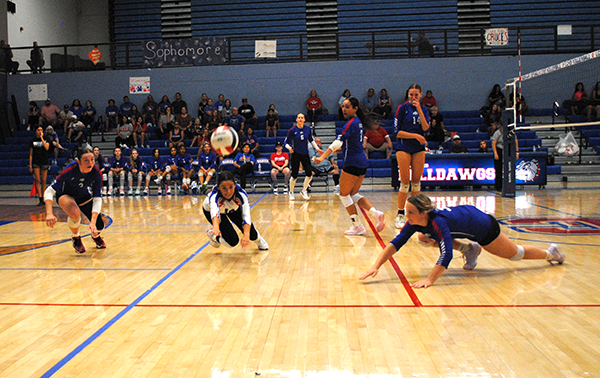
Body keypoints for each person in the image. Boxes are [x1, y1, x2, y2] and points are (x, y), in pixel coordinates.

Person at [359, 193, 565, 288]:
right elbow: (395, 244)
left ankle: (550, 253)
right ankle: (469, 249)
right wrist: (376, 266)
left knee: (515, 255)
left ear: (423, 213)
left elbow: (446, 254)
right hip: (468, 220)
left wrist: (429, 280)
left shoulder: (438, 223)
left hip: (484, 228)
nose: (407, 216)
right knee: (422, 237)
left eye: (410, 212)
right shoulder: (417, 222)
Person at [314, 97, 385, 235]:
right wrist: (334, 151)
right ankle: (375, 213)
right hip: (361, 162)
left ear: (355, 108)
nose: (344, 109)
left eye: (347, 107)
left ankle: (357, 226)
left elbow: (337, 143)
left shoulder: (351, 123)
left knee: (343, 194)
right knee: (353, 194)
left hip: (352, 162)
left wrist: (322, 157)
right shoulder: (358, 123)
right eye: (343, 107)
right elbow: (348, 145)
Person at [44, 147, 107, 253]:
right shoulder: (70, 170)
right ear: (78, 161)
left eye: (92, 160)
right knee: (75, 213)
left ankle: (95, 236)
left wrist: (92, 222)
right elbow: (49, 191)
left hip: (82, 195)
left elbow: (97, 198)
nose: (90, 163)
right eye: (86, 160)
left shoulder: (96, 173)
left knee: (99, 226)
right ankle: (76, 238)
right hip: (65, 194)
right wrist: (49, 213)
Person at [393, 84, 430, 229]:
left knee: (416, 182)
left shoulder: (424, 109)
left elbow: (426, 128)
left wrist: (419, 109)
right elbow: (397, 132)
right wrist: (415, 135)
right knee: (405, 182)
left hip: (418, 148)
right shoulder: (402, 109)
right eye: (411, 94)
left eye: (416, 95)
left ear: (420, 95)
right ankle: (400, 214)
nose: (413, 97)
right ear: (407, 95)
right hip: (404, 147)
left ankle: (415, 214)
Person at [204, 171, 269, 251]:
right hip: (212, 211)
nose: (228, 192)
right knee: (232, 241)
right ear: (218, 187)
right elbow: (215, 212)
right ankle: (213, 236)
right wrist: (216, 228)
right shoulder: (214, 196)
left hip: (232, 209)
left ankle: (259, 241)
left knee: (251, 233)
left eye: (231, 187)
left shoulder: (241, 194)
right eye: (224, 188)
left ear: (235, 185)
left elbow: (246, 216)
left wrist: (246, 235)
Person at [284, 113, 321, 200]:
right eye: (299, 118)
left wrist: (317, 149)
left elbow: (311, 140)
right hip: (295, 154)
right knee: (294, 175)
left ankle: (304, 190)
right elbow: (285, 142)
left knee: (309, 174)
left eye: (302, 118)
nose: (300, 119)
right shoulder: (292, 130)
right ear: (296, 119)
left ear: (304, 120)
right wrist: (289, 148)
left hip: (305, 154)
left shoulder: (308, 129)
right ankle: (291, 192)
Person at [492, 123, 519, 192]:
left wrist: (517, 152)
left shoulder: (511, 132)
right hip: (500, 151)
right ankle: (498, 186)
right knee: (499, 170)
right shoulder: (497, 133)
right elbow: (493, 143)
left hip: (508, 150)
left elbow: (515, 142)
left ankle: (510, 185)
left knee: (509, 169)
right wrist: (495, 153)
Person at [30, 126, 50, 206]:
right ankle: (40, 198)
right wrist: (30, 165)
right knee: (37, 180)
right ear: (36, 131)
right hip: (36, 161)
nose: (40, 131)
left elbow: (47, 148)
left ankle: (44, 197)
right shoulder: (32, 141)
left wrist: (42, 138)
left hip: (44, 161)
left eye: (41, 130)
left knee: (44, 180)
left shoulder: (46, 139)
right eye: (38, 130)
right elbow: (31, 154)